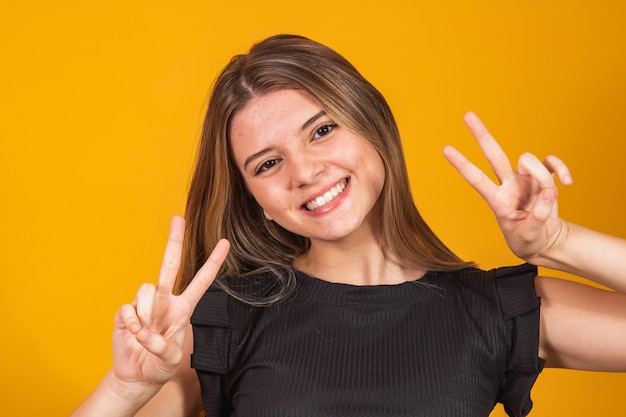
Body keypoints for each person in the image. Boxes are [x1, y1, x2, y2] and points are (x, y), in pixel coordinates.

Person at [70, 34, 626, 417]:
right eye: (268, 163)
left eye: (321, 130)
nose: (305, 172)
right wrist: (124, 389)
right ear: (258, 200)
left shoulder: (496, 309)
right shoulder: (218, 322)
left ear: (373, 124)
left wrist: (558, 242)